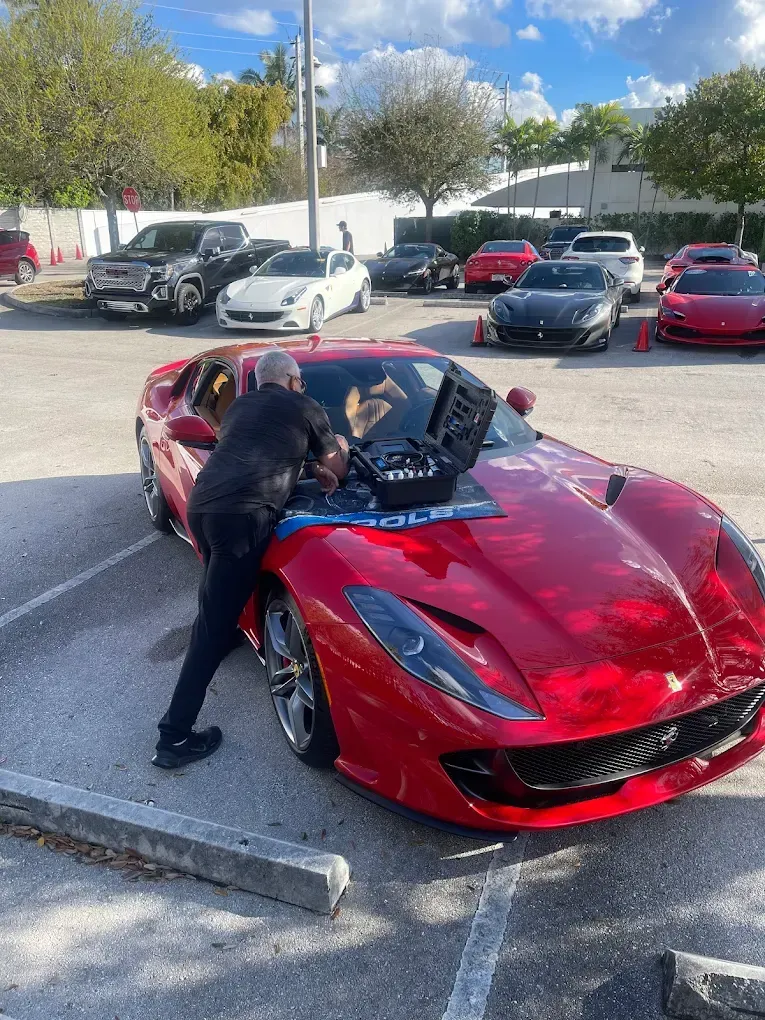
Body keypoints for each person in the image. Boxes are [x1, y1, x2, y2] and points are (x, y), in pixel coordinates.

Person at [152, 349, 350, 769]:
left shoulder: (241, 407)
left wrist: (306, 469)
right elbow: (341, 467)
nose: (302, 387)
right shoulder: (305, 406)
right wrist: (339, 452)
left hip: (203, 508)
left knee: (216, 596)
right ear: (294, 381)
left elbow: (255, 455)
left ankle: (222, 635)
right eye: (301, 381)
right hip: (242, 517)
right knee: (210, 626)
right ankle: (174, 738)